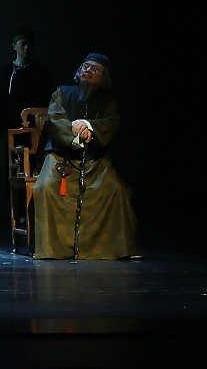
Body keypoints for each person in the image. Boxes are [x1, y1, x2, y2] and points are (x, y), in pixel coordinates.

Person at [31, 53, 139, 260]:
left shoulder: (108, 101)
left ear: (104, 77)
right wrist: (77, 134)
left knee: (116, 191)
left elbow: (111, 123)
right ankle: (53, 249)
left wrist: (90, 126)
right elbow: (54, 119)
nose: (88, 70)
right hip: (61, 157)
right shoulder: (62, 93)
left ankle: (112, 248)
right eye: (85, 66)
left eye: (94, 69)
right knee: (45, 188)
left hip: (95, 160)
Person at [0, 28, 56, 136]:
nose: (26, 47)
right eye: (23, 44)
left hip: (38, 125)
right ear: (14, 46)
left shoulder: (41, 71)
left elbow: (50, 98)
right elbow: (0, 102)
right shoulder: (5, 72)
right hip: (13, 126)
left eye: (29, 44)